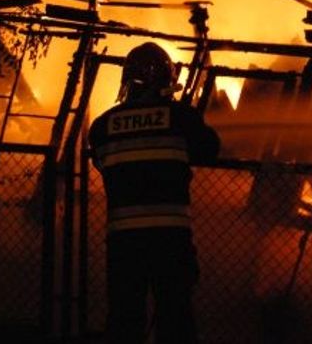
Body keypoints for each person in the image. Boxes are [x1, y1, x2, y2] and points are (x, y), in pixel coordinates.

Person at [89, 41, 221, 344]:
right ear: (165, 78)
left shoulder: (102, 125)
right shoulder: (180, 117)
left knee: (124, 319)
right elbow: (209, 149)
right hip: (169, 240)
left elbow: (101, 163)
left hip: (123, 241)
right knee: (175, 319)